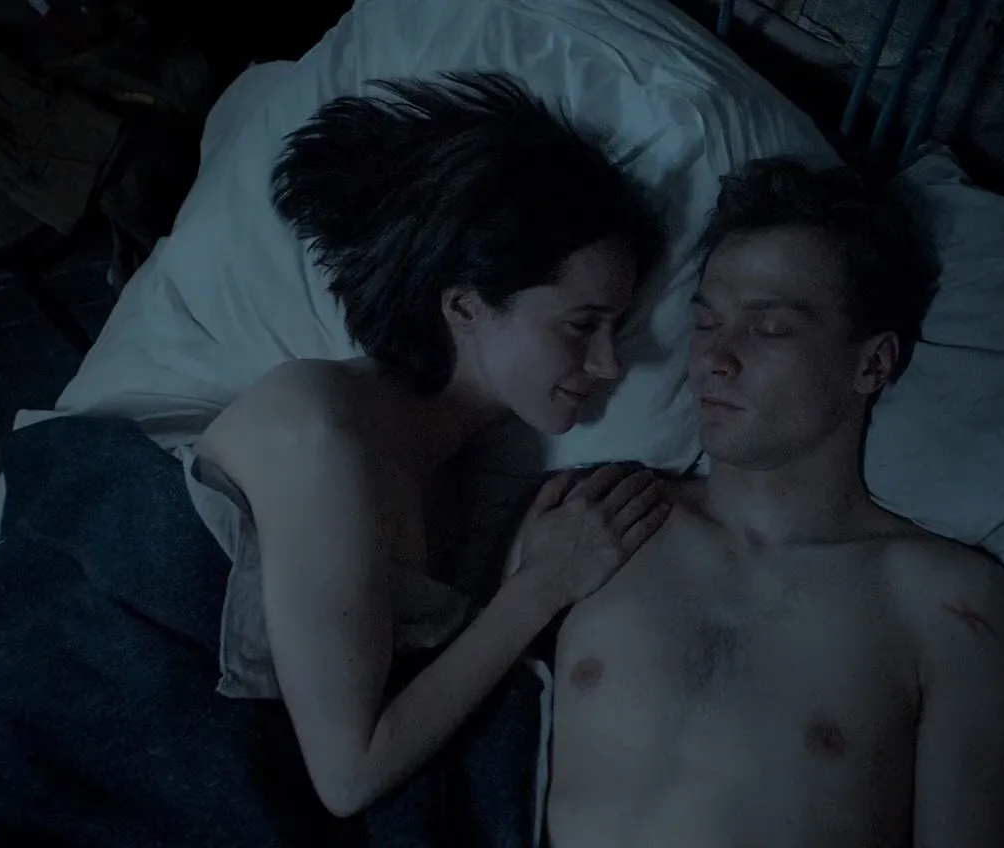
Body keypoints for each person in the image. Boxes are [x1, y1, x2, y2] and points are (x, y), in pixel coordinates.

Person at [193, 71, 674, 818]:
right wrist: (540, 588)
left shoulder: (450, 470)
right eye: (582, 326)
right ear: (465, 306)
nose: (611, 364)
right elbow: (348, 777)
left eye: (616, 328)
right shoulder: (324, 435)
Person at [529, 157, 1004, 847]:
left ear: (872, 363)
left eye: (769, 328)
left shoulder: (948, 608)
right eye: (707, 322)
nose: (716, 358)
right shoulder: (597, 519)